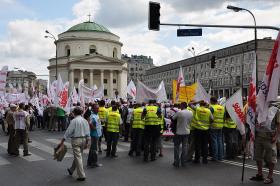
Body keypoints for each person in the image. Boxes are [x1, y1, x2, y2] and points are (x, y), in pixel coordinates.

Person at [249, 102, 280, 184]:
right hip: (259, 136)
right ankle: (260, 174)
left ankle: (270, 177)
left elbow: (278, 125)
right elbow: (253, 120)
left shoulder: (275, 110)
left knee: (271, 158)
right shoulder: (259, 108)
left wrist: (276, 136)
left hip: (269, 137)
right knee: (258, 156)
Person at [59, 106, 90, 182]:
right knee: (78, 156)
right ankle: (71, 169)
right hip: (83, 139)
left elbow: (68, 132)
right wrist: (87, 142)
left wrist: (62, 140)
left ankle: (82, 175)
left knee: (78, 157)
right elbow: (87, 132)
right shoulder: (85, 121)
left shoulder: (74, 121)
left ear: (74, 113)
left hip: (76, 140)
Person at [172, 102, 193, 167]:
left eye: (180, 105)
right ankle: (183, 162)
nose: (179, 106)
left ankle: (176, 162)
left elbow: (173, 118)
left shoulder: (179, 112)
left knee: (176, 147)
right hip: (187, 131)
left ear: (182, 106)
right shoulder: (191, 112)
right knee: (185, 148)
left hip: (179, 132)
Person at [209, 97, 225, 161]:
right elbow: (224, 117)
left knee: (214, 141)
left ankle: (215, 157)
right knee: (220, 141)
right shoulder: (222, 107)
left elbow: (210, 117)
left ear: (212, 101)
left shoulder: (211, 108)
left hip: (214, 126)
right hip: (220, 125)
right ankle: (220, 156)